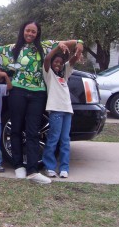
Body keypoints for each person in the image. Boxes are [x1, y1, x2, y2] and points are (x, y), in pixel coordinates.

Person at [0, 21, 83, 184]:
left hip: (38, 93)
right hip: (17, 91)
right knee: (16, 129)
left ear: (37, 33)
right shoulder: (13, 48)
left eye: (34, 32)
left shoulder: (46, 46)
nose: (30, 34)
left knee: (33, 131)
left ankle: (33, 171)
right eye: (28, 31)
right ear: (23, 31)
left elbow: (73, 43)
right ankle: (18, 166)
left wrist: (80, 44)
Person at [42, 42, 82, 179]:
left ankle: (64, 168)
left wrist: (78, 49)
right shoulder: (49, 74)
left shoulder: (64, 75)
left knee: (65, 140)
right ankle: (49, 167)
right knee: (53, 138)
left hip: (67, 111)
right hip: (56, 110)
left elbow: (73, 60)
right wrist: (57, 48)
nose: (58, 64)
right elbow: (47, 59)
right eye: (56, 62)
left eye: (60, 62)